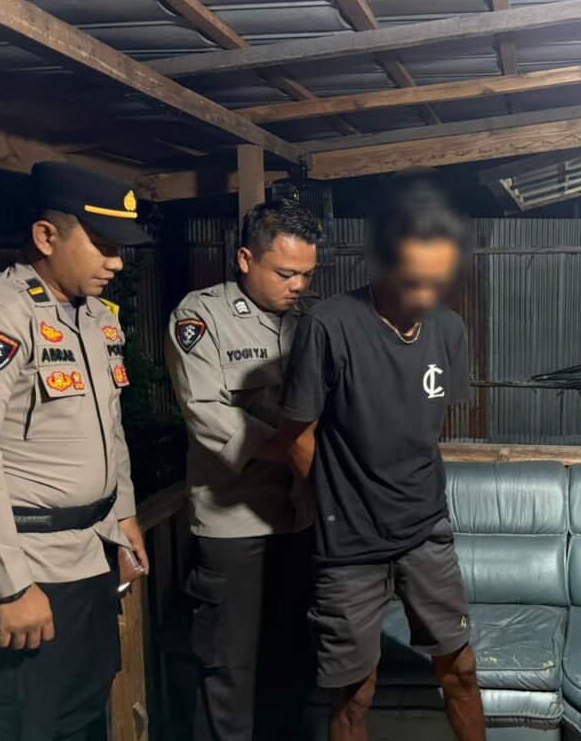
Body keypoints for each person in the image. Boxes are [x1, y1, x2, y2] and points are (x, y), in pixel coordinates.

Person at [278, 173, 484, 741]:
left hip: (425, 531)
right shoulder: (329, 326)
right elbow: (296, 435)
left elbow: (424, 429)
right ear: (383, 263)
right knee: (355, 695)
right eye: (414, 280)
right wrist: (337, 506)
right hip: (349, 546)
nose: (426, 296)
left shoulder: (448, 329)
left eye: (437, 282)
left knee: (461, 672)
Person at [0, 161, 151, 741]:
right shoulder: (6, 312)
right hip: (31, 566)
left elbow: (111, 425)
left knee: (85, 710)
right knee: (30, 722)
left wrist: (125, 515)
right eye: (104, 245)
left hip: (91, 556)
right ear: (46, 236)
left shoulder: (97, 317)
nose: (117, 262)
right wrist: (10, 585)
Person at [165, 200, 321, 741]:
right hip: (236, 530)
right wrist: (301, 452)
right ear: (245, 259)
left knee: (290, 669)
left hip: (299, 523)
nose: (298, 285)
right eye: (286, 273)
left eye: (307, 274)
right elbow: (208, 414)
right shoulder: (201, 317)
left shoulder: (309, 324)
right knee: (229, 674)